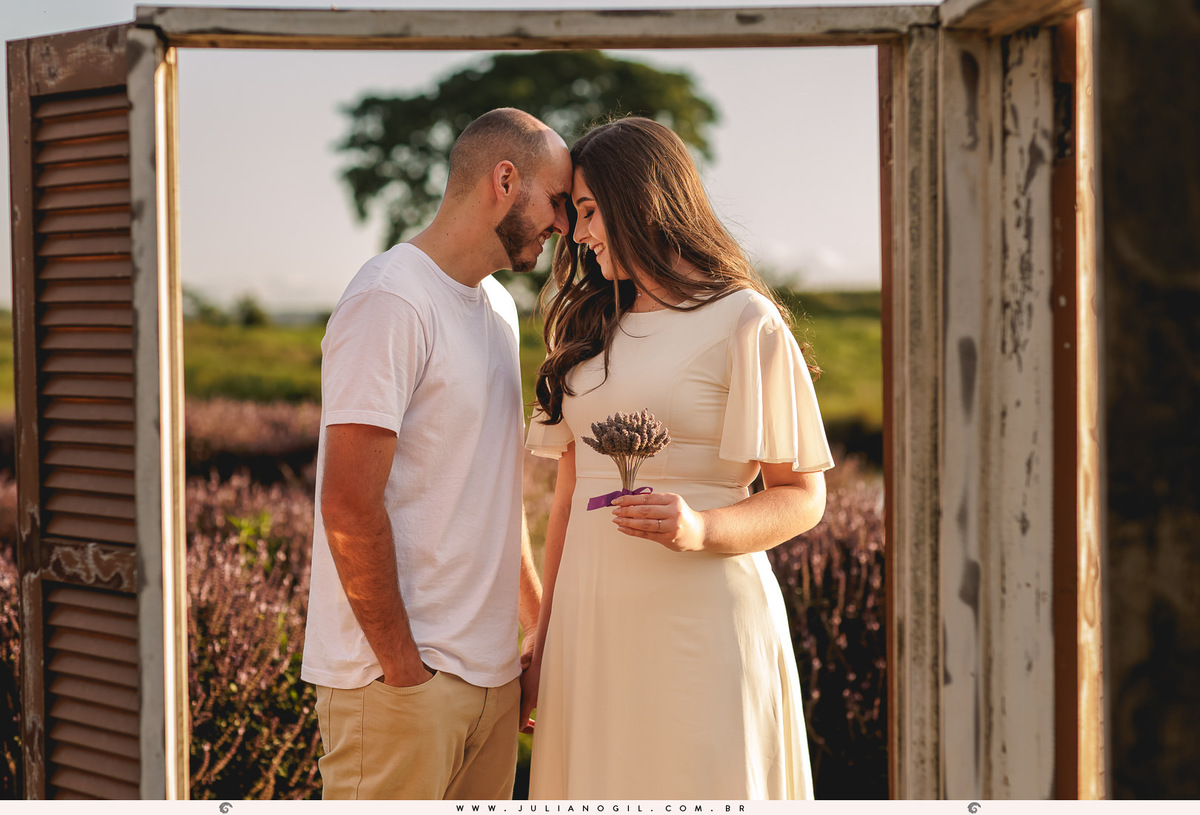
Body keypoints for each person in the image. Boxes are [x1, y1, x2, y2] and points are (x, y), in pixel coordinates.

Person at [523, 117, 834, 800]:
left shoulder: (745, 320)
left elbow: (802, 494)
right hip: (591, 627)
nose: (578, 235)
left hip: (702, 623)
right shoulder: (588, 328)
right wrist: (543, 642)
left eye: (588, 210)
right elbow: (569, 495)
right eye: (575, 214)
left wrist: (701, 528)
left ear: (642, 200)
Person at [300, 108, 573, 800]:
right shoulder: (389, 297)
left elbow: (493, 496)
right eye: (557, 200)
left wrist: (537, 629)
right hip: (398, 689)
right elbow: (346, 501)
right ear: (504, 180)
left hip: (491, 683)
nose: (564, 223)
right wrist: (403, 672)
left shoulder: (501, 311)